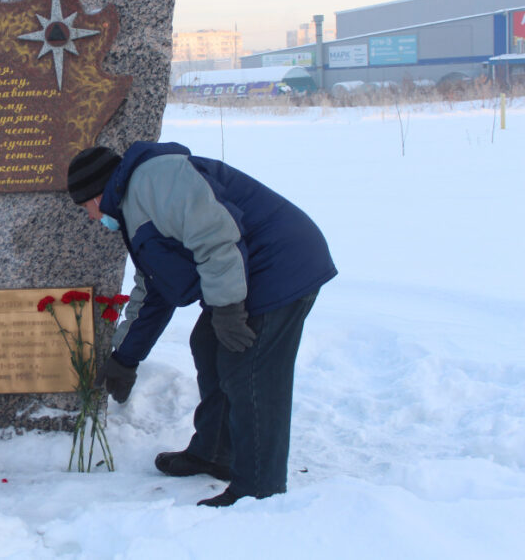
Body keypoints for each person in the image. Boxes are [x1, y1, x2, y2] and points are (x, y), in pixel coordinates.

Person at [68, 142, 336, 507]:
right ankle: (215, 452)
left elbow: (217, 236)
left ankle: (258, 489)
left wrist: (226, 310)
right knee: (208, 344)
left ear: (97, 196)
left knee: (250, 369)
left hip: (280, 265)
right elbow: (156, 287)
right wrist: (126, 357)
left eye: (86, 208)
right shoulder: (134, 203)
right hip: (246, 271)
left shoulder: (156, 181)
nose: (91, 218)